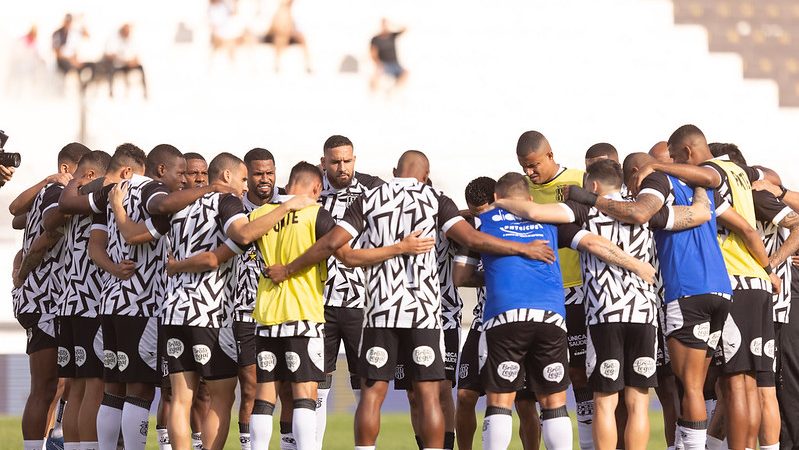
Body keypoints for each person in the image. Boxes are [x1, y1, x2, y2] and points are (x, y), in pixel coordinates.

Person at [266, 150, 563, 450]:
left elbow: (332, 244)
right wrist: (521, 248)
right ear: (425, 174)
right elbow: (473, 239)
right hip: (422, 313)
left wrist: (289, 269)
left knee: (372, 394)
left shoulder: (370, 198)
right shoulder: (435, 199)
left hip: (380, 311)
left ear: (395, 171)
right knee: (428, 394)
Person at [566, 148, 768, 450]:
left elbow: (636, 214)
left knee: (683, 389)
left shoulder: (650, 190)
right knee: (723, 386)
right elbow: (708, 214)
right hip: (718, 291)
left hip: (668, 297)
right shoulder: (694, 189)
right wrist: (768, 268)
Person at [625, 125, 780, 450]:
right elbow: (752, 227)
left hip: (730, 277)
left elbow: (733, 222)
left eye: (677, 158)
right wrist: (768, 269)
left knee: (730, 385)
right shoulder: (738, 170)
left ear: (689, 154)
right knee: (749, 385)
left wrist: (658, 168)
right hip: (754, 281)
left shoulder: (710, 174)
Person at [708, 143, 799, 450]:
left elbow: (796, 224)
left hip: (766, 300)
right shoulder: (743, 194)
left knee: (756, 387)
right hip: (754, 294)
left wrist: (770, 264)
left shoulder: (755, 195)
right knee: (737, 386)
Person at [515, 130, 594, 449]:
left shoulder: (580, 180)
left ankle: (587, 442)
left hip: (577, 290)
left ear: (550, 155)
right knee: (536, 383)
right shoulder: (521, 191)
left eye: (533, 165)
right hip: (538, 297)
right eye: (523, 167)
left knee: (579, 372)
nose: (530, 173)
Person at [28, 151, 111, 450]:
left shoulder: (68, 201)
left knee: (75, 390)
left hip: (68, 305)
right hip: (91, 305)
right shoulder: (97, 196)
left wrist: (21, 267)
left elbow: (40, 223)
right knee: (95, 390)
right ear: (94, 176)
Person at [13, 142, 90, 450]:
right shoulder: (56, 193)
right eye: (85, 173)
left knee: (61, 384)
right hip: (43, 299)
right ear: (66, 171)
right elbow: (46, 231)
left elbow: (18, 218)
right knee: (45, 386)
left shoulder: (54, 195)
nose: (88, 180)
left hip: (55, 299)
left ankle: (54, 438)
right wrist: (24, 266)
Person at [315, 135, 383, 448]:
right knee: (315, 387)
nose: (342, 167)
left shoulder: (375, 190)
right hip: (318, 304)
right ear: (323, 163)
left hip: (363, 303)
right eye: (335, 162)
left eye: (347, 160)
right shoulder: (310, 192)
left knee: (365, 385)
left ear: (355, 159)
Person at [229, 147, 284, 450]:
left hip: (282, 310)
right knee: (250, 388)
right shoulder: (233, 208)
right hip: (244, 311)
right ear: (246, 176)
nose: (265, 179)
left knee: (288, 390)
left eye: (270, 173)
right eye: (259, 174)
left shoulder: (288, 204)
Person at [262, 0, 312, 73]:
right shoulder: (279, 10)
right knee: (280, 38)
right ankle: (277, 64)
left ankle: (308, 64)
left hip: (288, 34)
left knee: (301, 38)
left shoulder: (292, 11)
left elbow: (293, 27)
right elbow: (273, 28)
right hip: (274, 36)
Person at [102, 23, 147, 98]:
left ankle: (145, 93)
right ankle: (111, 92)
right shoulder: (114, 39)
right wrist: (123, 61)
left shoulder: (131, 40)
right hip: (118, 65)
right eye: (126, 31)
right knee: (111, 69)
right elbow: (110, 55)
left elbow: (137, 54)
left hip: (129, 64)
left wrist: (133, 61)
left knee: (141, 68)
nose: (128, 33)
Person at [52, 14, 94, 89]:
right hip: (62, 62)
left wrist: (82, 21)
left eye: (70, 22)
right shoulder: (57, 34)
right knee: (72, 69)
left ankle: (83, 88)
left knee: (90, 67)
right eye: (67, 21)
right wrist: (71, 60)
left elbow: (87, 35)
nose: (68, 23)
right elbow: (57, 53)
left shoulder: (73, 33)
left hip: (74, 61)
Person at [370, 18, 408, 92]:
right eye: (384, 25)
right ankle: (373, 93)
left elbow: (405, 28)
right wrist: (378, 64)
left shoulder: (392, 36)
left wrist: (393, 24)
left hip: (395, 63)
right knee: (376, 76)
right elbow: (373, 53)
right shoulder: (375, 39)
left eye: (387, 25)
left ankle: (395, 90)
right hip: (384, 64)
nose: (385, 26)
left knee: (406, 73)